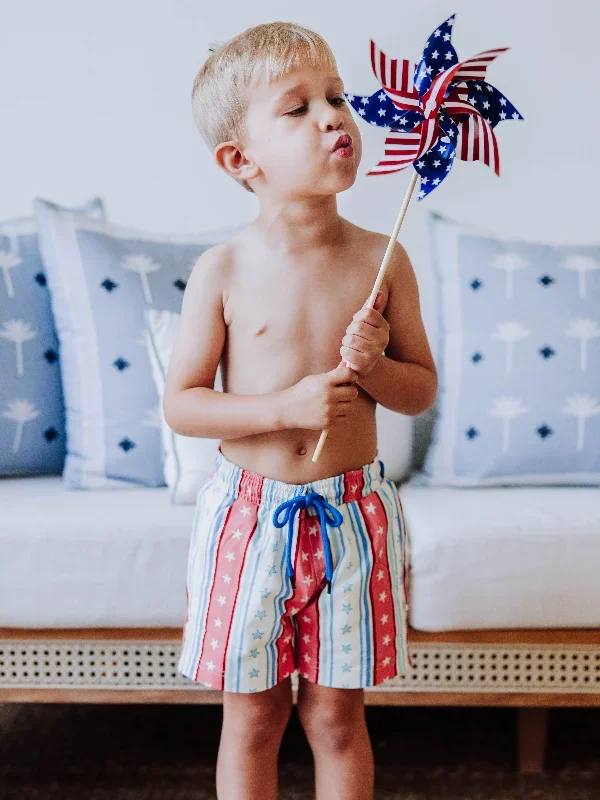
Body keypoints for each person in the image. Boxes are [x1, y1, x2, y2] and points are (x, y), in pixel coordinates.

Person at [163, 20, 437, 800]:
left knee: (336, 720)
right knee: (252, 721)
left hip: (351, 517)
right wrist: (283, 405)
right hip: (249, 521)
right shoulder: (223, 270)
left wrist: (375, 364)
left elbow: (419, 389)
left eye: (337, 97)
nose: (333, 116)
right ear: (240, 160)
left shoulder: (383, 259)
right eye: (299, 107)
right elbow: (183, 404)